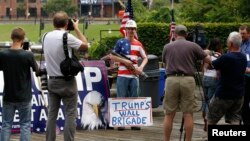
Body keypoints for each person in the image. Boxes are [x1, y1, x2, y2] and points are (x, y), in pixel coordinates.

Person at [43, 11, 88, 141]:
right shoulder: (67, 37)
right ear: (67, 23)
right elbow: (85, 46)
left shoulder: (45, 36)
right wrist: (77, 29)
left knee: (51, 115)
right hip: (67, 82)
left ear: (53, 23)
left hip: (52, 81)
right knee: (70, 113)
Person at [162, 25, 211, 141]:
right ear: (187, 34)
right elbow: (207, 60)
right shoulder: (194, 46)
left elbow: (165, 62)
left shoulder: (167, 47)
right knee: (188, 113)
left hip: (171, 79)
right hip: (188, 80)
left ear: (174, 34)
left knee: (169, 114)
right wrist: (207, 53)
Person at [107, 19, 148, 130]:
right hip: (122, 75)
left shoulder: (139, 44)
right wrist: (125, 62)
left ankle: (134, 122)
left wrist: (141, 67)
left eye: (132, 29)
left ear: (135, 30)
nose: (130, 31)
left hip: (134, 76)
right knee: (121, 98)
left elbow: (145, 58)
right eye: (129, 29)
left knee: (134, 98)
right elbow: (113, 56)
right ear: (125, 30)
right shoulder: (120, 42)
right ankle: (121, 122)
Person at [0, 27, 38, 141]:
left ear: (12, 38)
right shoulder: (28, 55)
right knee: (25, 125)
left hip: (9, 95)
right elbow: (37, 71)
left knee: (6, 125)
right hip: (24, 97)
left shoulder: (3, 54)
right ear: (23, 39)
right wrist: (30, 54)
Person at [207, 32, 247, 126]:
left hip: (224, 94)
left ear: (230, 43)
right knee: (235, 119)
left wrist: (208, 56)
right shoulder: (243, 56)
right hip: (239, 94)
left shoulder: (226, 57)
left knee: (211, 119)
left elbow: (211, 66)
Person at [201, 38, 222, 131]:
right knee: (210, 102)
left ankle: (205, 122)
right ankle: (208, 122)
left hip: (205, 77)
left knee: (205, 101)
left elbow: (203, 67)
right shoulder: (218, 55)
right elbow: (219, 70)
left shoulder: (206, 54)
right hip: (213, 79)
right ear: (218, 45)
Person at [239, 25, 250, 125]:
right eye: (240, 33)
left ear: (249, 33)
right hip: (243, 77)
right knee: (244, 102)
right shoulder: (240, 44)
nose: (241, 35)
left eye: (243, 33)